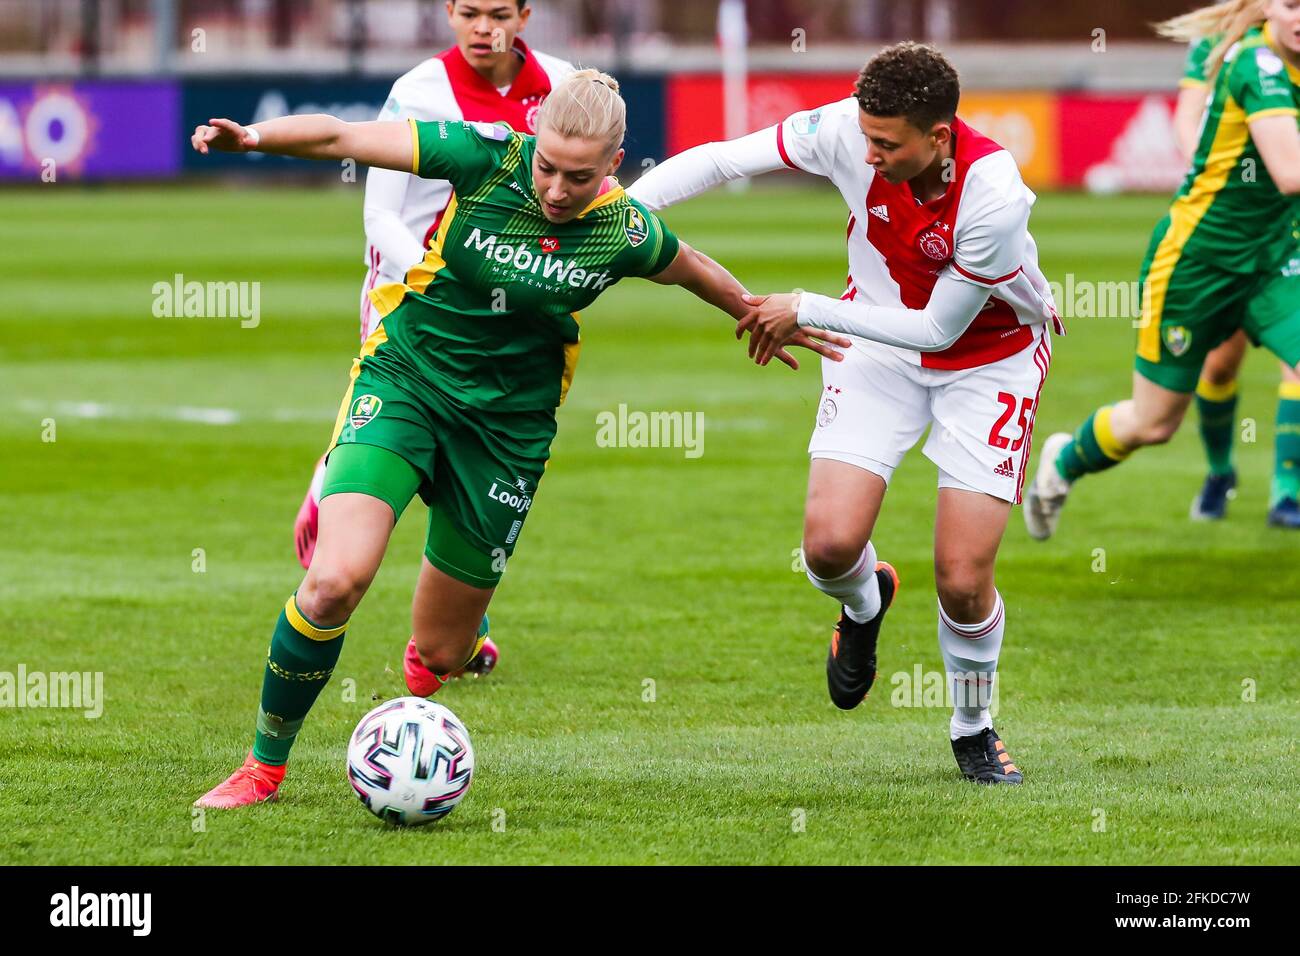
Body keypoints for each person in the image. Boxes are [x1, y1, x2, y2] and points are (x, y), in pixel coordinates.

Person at [189, 70, 849, 808]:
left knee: (441, 653)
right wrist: (253, 137)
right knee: (336, 580)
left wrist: (756, 311)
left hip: (506, 437)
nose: (557, 189)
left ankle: (452, 645)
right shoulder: (486, 155)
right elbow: (347, 138)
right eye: (547, 167)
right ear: (532, 145)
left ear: (616, 161)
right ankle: (263, 767)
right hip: (407, 382)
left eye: (579, 175)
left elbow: (689, 267)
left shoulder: (624, 229)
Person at [631, 42, 1062, 785]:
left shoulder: (995, 196)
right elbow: (722, 160)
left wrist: (805, 306)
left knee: (962, 577)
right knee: (829, 547)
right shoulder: (846, 129)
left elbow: (939, 331)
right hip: (874, 343)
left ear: (940, 136)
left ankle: (973, 727)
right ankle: (864, 606)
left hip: (989, 360)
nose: (866, 155)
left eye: (886, 145)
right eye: (864, 137)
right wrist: (623, 209)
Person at [294, 0, 577, 679]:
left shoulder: (565, 86)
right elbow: (380, 214)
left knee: (479, 464)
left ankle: (457, 625)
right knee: (405, 431)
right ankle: (336, 476)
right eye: (470, 12)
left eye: (499, 13)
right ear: (449, 12)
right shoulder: (419, 93)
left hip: (514, 321)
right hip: (411, 296)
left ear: (525, 13)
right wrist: (440, 276)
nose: (485, 28)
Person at [1025, 0, 1300, 539]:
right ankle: (1063, 462)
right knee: (1153, 425)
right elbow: (1290, 173)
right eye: (1291, 3)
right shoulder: (1255, 64)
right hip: (1197, 265)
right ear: (1267, 7)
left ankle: (1285, 490)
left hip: (1275, 263)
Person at [1163, 1, 1300, 526]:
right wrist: (1216, 176)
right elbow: (1188, 119)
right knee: (1221, 363)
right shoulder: (1221, 44)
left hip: (1289, 222)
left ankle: (1286, 492)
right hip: (1233, 229)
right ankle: (1221, 471)